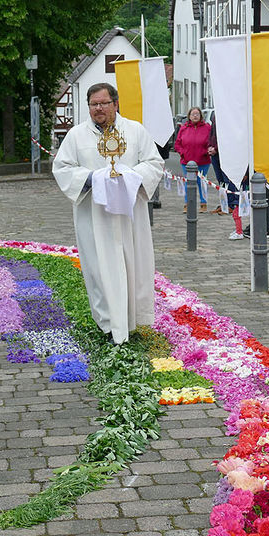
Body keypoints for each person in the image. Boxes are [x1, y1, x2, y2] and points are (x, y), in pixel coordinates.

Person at [52, 83, 164, 345]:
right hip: (95, 216)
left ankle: (132, 321)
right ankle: (108, 325)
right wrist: (92, 178)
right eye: (93, 105)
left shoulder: (135, 130)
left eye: (103, 103)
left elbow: (154, 163)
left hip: (129, 216)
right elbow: (62, 168)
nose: (98, 109)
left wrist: (131, 177)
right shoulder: (77, 135)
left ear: (115, 104)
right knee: (99, 269)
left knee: (133, 265)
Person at [173, 106, 212, 212]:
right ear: (189, 116)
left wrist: (207, 151)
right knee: (188, 182)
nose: (195, 116)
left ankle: (203, 203)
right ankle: (187, 204)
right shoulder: (184, 128)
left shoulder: (207, 127)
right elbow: (177, 144)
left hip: (203, 161)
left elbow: (211, 141)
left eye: (197, 114)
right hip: (187, 161)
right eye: (193, 114)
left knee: (201, 182)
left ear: (201, 116)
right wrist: (182, 153)